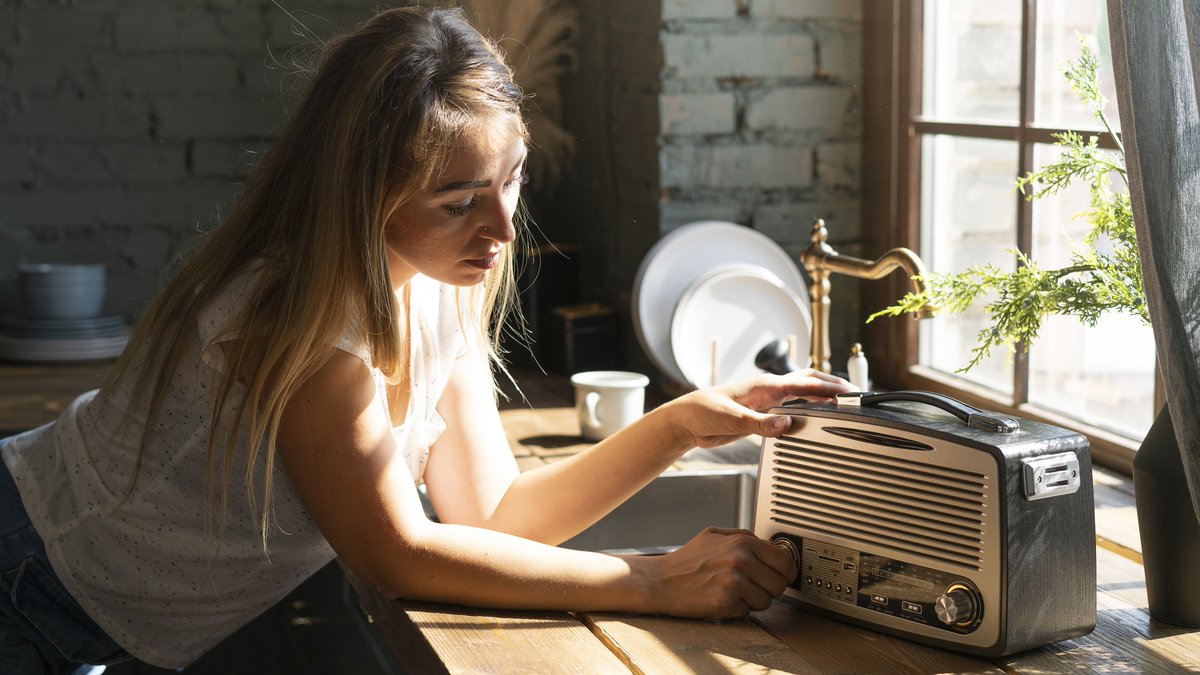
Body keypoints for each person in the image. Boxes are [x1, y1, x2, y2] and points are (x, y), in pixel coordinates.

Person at [0, 6, 852, 673]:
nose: (504, 227)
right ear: (362, 193)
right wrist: (655, 579)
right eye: (459, 200)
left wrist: (680, 424)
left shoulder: (433, 283)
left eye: (510, 179)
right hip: (25, 582)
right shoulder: (301, 327)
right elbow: (399, 553)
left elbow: (494, 512)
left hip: (75, 612)